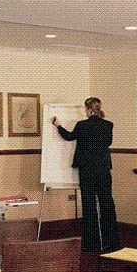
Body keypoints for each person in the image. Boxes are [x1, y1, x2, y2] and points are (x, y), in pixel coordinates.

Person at [52, 97, 120, 252]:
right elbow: (108, 142)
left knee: (89, 205)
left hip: (87, 171)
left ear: (89, 109)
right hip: (103, 170)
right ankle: (112, 240)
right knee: (107, 203)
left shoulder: (82, 125)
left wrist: (58, 125)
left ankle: (91, 243)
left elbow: (69, 136)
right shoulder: (108, 125)